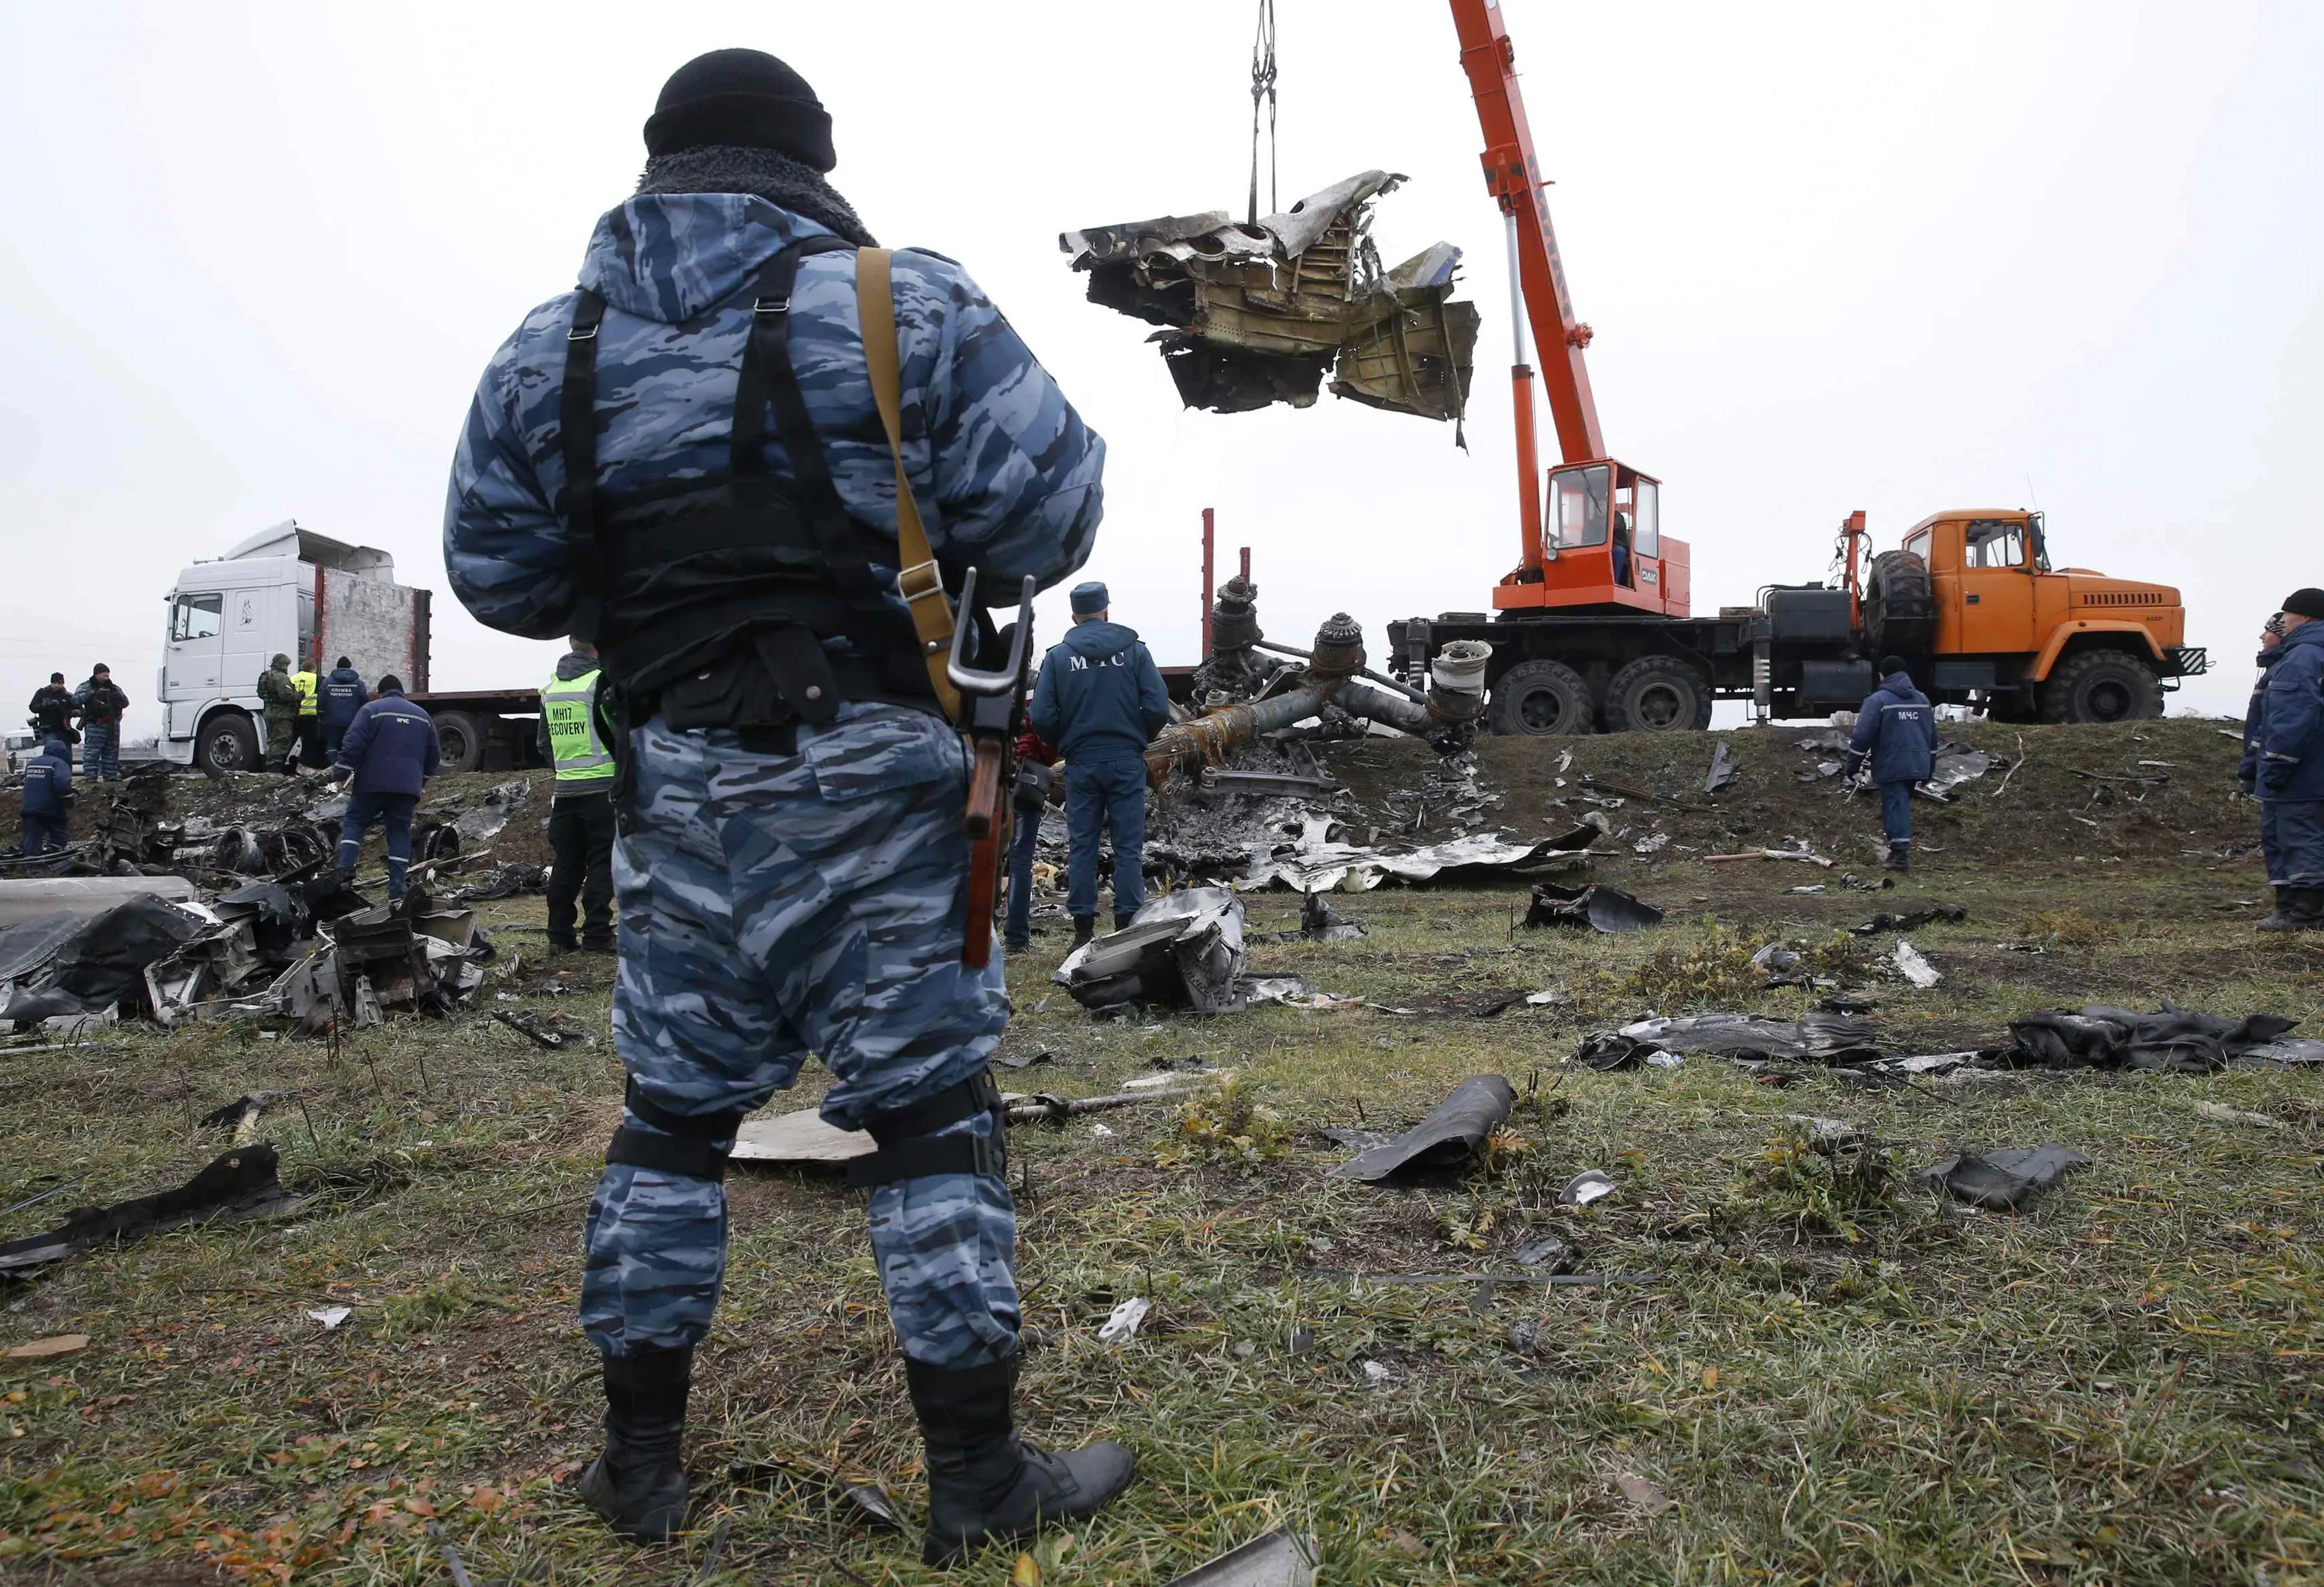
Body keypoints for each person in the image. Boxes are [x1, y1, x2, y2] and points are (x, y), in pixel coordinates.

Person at [440, 47, 1121, 1559]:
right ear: (811, 163)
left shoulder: (552, 351)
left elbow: (498, 573)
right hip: (879, 793)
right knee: (933, 1118)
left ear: (658, 162)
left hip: (676, 796)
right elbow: (1057, 506)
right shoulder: (903, 304)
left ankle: (637, 1464)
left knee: (670, 1122)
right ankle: (978, 1483)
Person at [1028, 582, 1170, 948]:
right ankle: (1126, 924)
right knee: (1127, 847)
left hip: (1081, 762)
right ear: (1107, 609)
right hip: (1125, 759)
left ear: (1074, 615)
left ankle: (1083, 932)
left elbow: (1041, 714)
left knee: (1083, 846)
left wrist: (1066, 741)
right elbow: (1156, 706)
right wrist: (1137, 737)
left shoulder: (1059, 658)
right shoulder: (1135, 653)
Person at [2242, 589, 2324, 931]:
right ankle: (2291, 909)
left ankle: (2307, 915)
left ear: (2304, 617)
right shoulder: (2303, 655)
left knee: (2298, 837)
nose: (2278, 624)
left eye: (2284, 616)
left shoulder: (2303, 657)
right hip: (2307, 770)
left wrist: (2275, 765)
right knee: (2292, 836)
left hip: (2302, 774)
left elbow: (2292, 716)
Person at [329, 674, 438, 904]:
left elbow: (353, 741)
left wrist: (342, 772)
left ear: (381, 692)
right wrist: (421, 781)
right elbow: (433, 755)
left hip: (371, 784)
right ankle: (397, 891)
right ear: (402, 692)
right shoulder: (423, 716)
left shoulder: (371, 710)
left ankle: (344, 880)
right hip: (406, 789)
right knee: (399, 832)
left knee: (354, 823)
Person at [539, 640, 617, 952]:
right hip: (602, 790)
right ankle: (597, 934)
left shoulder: (550, 688)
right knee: (602, 862)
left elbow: (544, 744)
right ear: (598, 646)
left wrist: (565, 772)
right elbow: (619, 732)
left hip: (565, 791)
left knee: (567, 863)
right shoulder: (601, 683)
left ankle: (559, 935)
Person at [1842, 656, 1937, 872]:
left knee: (1895, 806)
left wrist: (1852, 766)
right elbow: (1932, 737)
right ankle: (1898, 849)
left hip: (1893, 763)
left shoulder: (1878, 700)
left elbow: (1862, 736)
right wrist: (1930, 766)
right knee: (1900, 805)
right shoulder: (1922, 699)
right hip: (1918, 763)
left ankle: (1900, 856)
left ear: (1883, 675)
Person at [1002, 714, 1057, 955]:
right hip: (1024, 784)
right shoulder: (1036, 703)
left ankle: (981, 935)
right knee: (1020, 863)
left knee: (984, 860)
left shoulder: (986, 690)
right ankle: (1016, 940)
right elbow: (1048, 743)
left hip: (986, 777)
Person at [19, 738, 74, 855]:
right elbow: (62, 785)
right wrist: (69, 801)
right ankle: (56, 859)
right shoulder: (59, 763)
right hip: (51, 808)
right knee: (59, 835)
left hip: (29, 808)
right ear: (63, 752)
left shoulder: (31, 764)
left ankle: (30, 866)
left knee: (31, 841)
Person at [74, 664, 128, 782]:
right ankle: (90, 776)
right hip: (95, 723)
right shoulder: (87, 686)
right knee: (92, 751)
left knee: (111, 751)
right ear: (96, 674)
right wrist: (92, 693)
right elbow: (75, 700)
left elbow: (125, 702)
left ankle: (110, 775)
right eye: (104, 673)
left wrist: (115, 697)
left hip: (112, 724)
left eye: (108, 673)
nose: (107, 675)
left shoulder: (114, 688)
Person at [256, 653, 301, 773]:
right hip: (282, 714)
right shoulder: (281, 677)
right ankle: (274, 770)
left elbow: (260, 694)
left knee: (272, 740)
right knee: (281, 741)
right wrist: (298, 695)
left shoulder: (265, 676)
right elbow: (286, 695)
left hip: (269, 712)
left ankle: (270, 767)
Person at [321, 657, 369, 759]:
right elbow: (364, 700)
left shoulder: (328, 681)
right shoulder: (358, 683)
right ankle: (344, 768)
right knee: (348, 744)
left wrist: (321, 715)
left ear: (337, 667)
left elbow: (322, 699)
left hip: (331, 720)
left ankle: (333, 765)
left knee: (331, 744)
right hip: (352, 721)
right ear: (350, 667)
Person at [28, 673, 78, 746]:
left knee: (66, 755)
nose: (57, 685)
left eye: (59, 683)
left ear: (63, 683)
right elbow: (33, 707)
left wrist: (74, 712)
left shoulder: (68, 696)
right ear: (51, 683)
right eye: (55, 683)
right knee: (53, 750)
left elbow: (81, 710)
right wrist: (43, 705)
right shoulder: (43, 693)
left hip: (64, 730)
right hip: (48, 730)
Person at [292, 659, 323, 770]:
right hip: (311, 715)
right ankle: (307, 765)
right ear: (313, 669)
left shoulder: (293, 678)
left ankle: (285, 764)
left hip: (296, 715)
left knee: (291, 741)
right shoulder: (317, 678)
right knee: (310, 743)